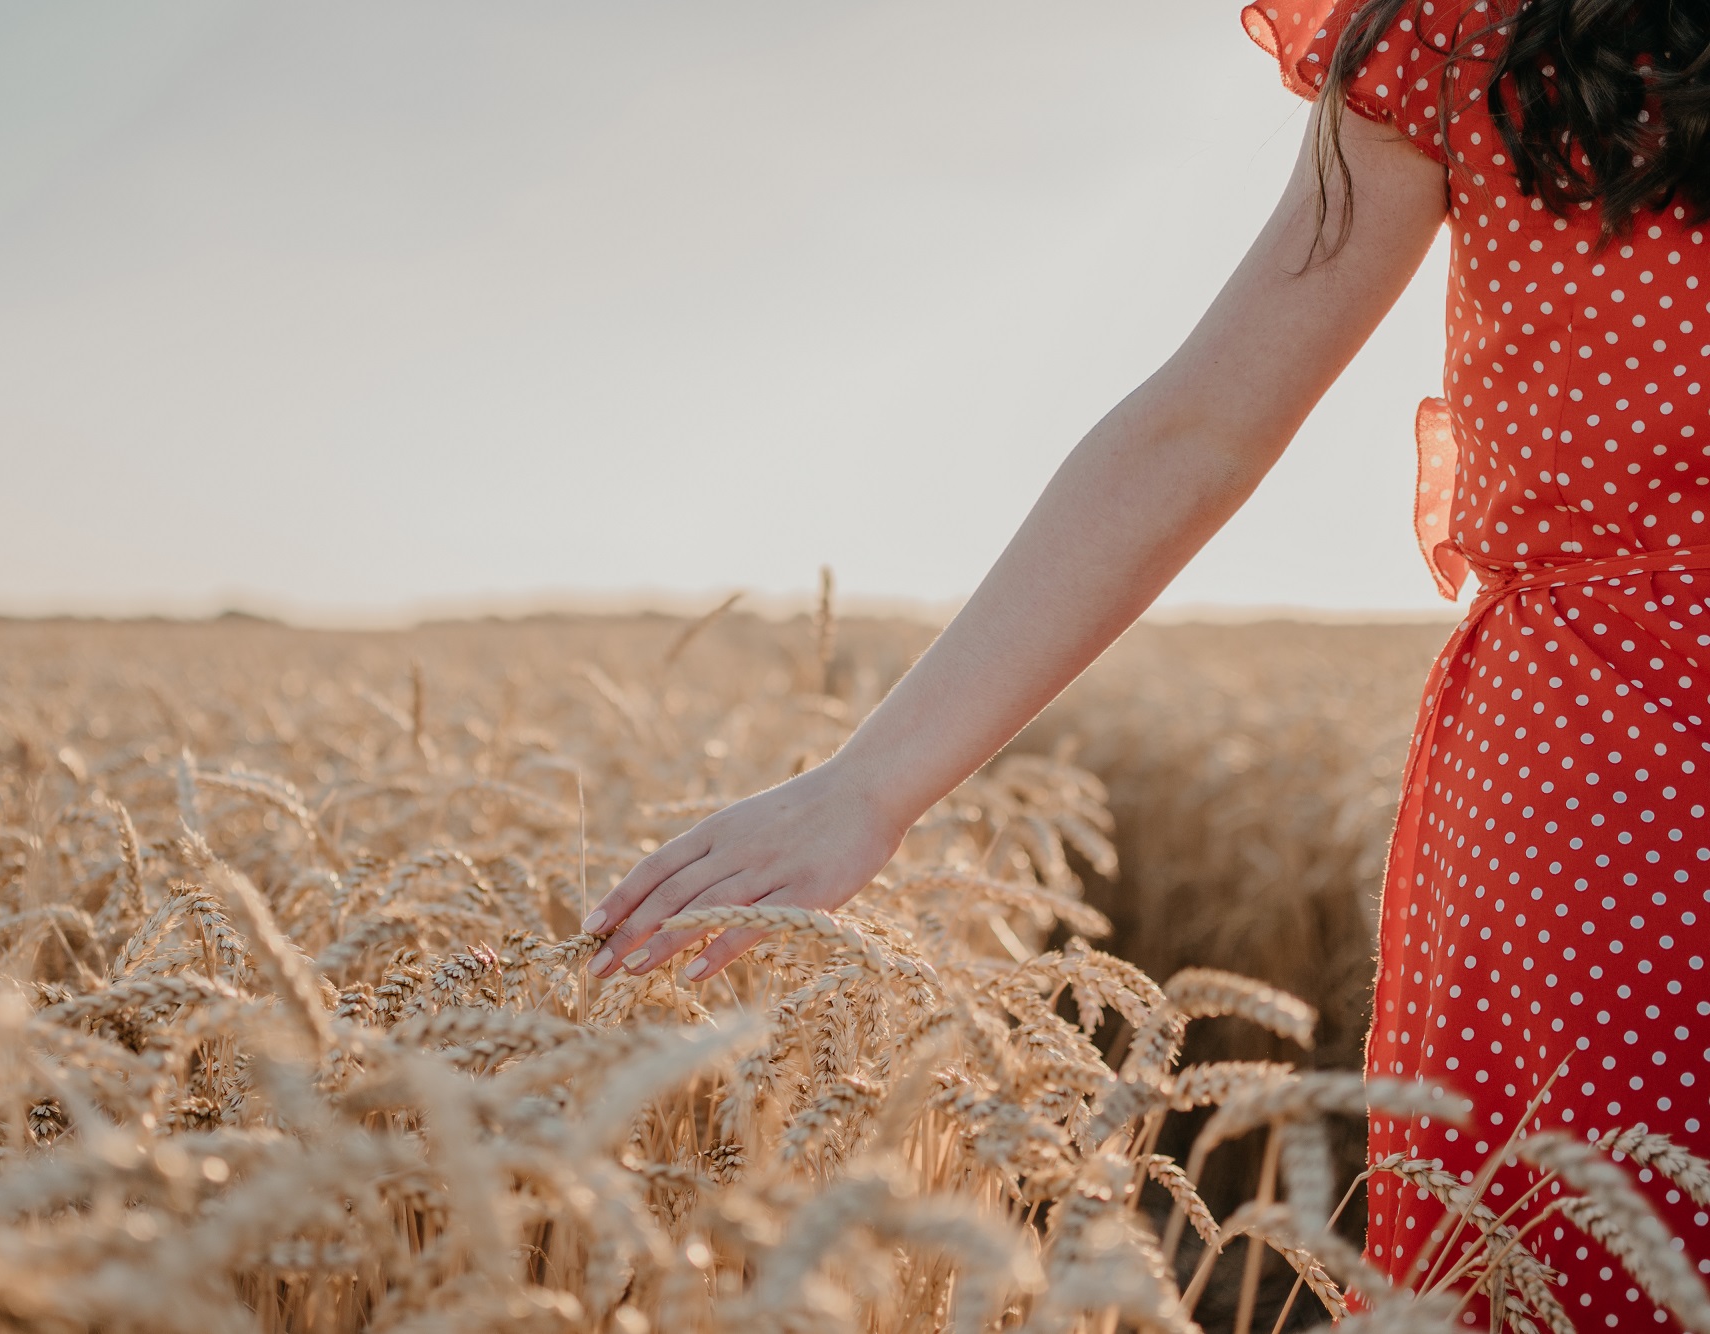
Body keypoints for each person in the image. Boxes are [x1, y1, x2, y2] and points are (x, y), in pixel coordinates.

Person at [586, 0, 1709, 1319]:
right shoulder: (1470, 23)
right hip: (1592, 810)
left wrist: (874, 782)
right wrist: (871, 781)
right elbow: (1200, 429)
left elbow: (1205, 429)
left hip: (1576, 806)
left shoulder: (1479, 28)